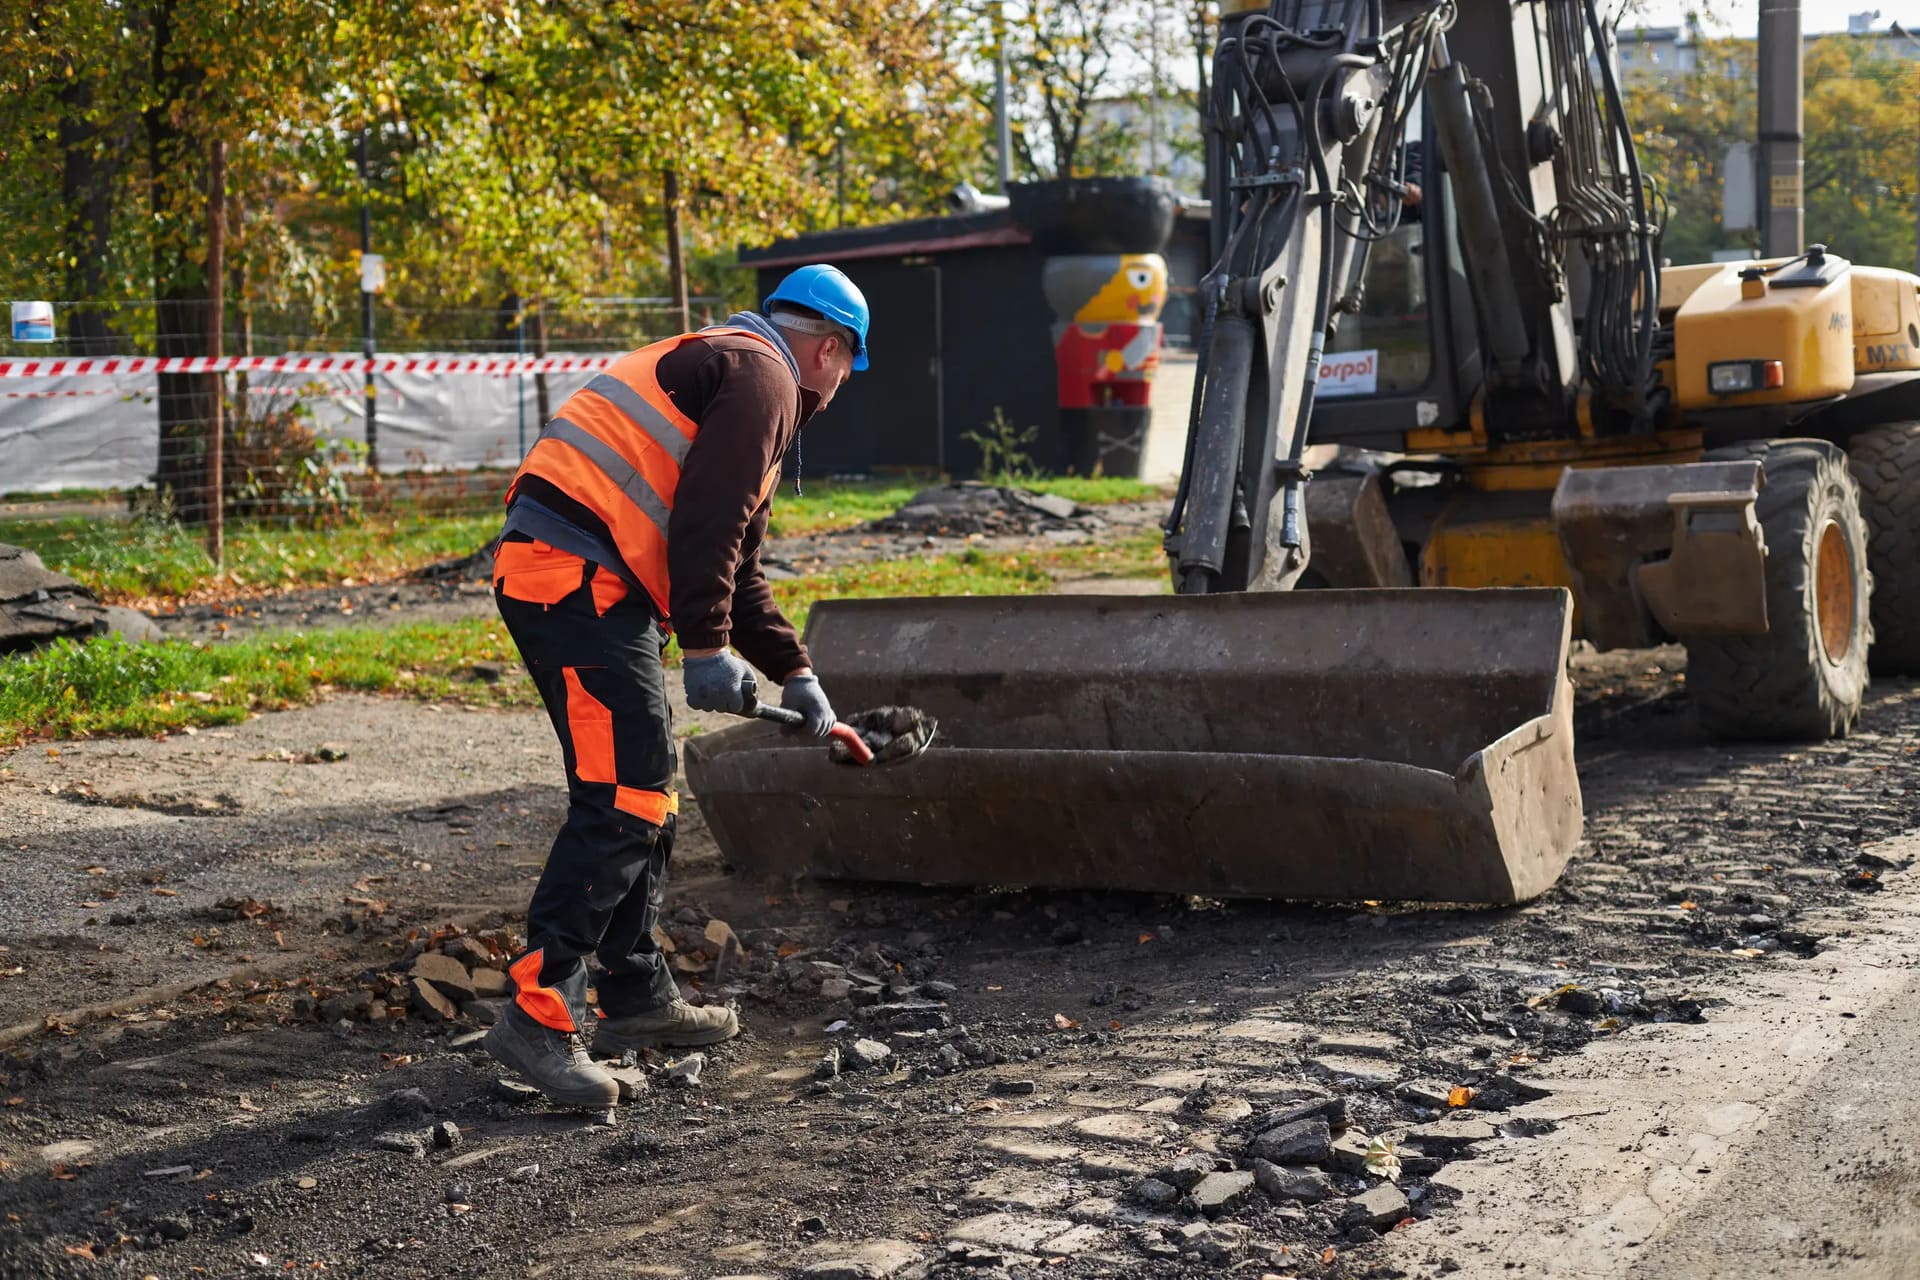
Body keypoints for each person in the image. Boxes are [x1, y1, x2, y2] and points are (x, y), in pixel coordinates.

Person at [482, 264, 869, 1106]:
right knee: (623, 793)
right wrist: (706, 648)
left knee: (643, 790)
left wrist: (798, 676)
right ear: (831, 347)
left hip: (586, 581)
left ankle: (635, 995)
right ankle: (536, 1013)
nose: (839, 388)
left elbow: (739, 564)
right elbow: (705, 524)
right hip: (571, 578)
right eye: (845, 367)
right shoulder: (764, 375)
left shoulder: (735, 371)